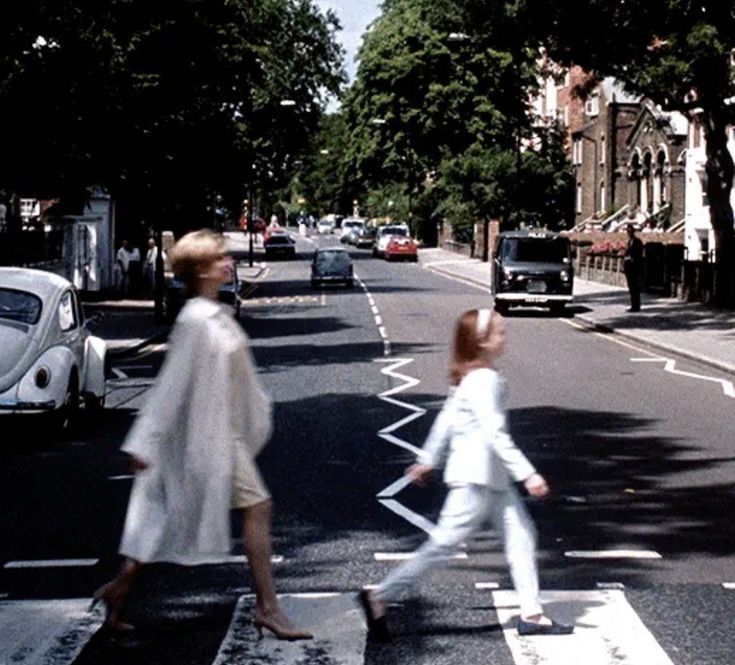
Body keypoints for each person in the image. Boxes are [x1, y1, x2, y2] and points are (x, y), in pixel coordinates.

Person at [92, 229, 311, 641]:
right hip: (205, 439)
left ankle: (117, 591)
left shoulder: (215, 312)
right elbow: (170, 386)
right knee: (256, 507)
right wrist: (144, 442)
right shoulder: (195, 320)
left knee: (168, 521)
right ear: (201, 271)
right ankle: (269, 608)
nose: (228, 264)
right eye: (219, 260)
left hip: (220, 433)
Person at [358, 309, 573, 640]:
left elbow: (447, 418)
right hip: (477, 478)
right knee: (442, 545)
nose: (505, 337)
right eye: (500, 332)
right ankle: (380, 596)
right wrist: (528, 474)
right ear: (483, 341)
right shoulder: (483, 380)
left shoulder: (472, 376)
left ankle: (532, 614)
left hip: (490, 478)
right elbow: (494, 432)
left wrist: (429, 458)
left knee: (521, 536)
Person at [623, 223, 643, 312]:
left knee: (635, 288)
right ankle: (633, 305)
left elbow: (639, 254)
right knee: (631, 289)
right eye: (628, 231)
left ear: (633, 232)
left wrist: (632, 258)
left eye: (630, 231)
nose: (629, 233)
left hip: (635, 268)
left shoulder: (637, 241)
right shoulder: (629, 242)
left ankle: (636, 306)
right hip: (629, 269)